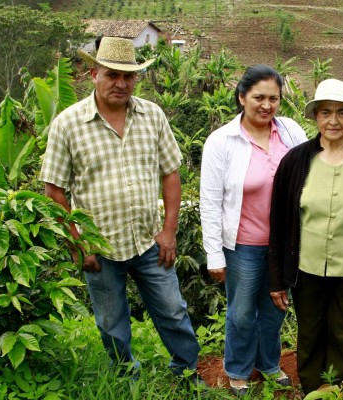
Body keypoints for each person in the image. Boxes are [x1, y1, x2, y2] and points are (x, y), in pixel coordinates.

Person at [40, 37, 204, 385]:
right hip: (100, 248)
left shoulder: (152, 115)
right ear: (93, 73)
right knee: (111, 323)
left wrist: (169, 231)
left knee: (173, 312)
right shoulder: (68, 125)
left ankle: (187, 373)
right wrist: (76, 243)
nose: (121, 83)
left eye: (128, 76)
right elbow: (53, 190)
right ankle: (127, 379)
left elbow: (171, 173)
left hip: (149, 240)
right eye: (113, 74)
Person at [268, 78, 343, 394]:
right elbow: (280, 223)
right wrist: (277, 278)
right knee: (309, 334)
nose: (333, 121)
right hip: (306, 269)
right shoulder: (296, 161)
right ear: (315, 117)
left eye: (341, 113)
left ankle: (342, 390)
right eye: (325, 113)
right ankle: (311, 390)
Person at [199, 64, 307, 396]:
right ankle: (238, 370)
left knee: (275, 310)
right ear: (242, 97)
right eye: (258, 97)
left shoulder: (290, 132)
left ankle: (269, 365)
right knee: (242, 312)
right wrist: (214, 253)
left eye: (273, 98)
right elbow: (211, 199)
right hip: (242, 244)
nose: (266, 105)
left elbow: (319, 160)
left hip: (284, 244)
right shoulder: (223, 140)